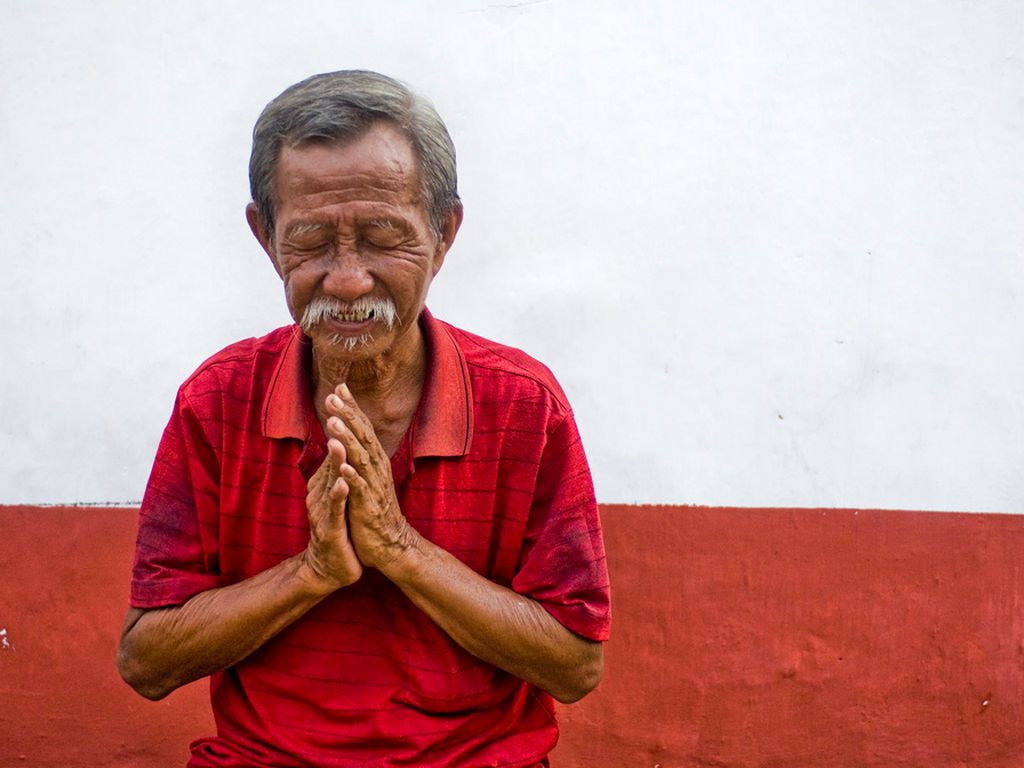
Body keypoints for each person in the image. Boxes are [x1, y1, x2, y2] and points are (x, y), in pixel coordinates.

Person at [117, 70, 610, 768]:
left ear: (444, 235)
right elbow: (145, 662)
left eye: (382, 237)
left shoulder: (523, 406)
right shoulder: (218, 400)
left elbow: (575, 667)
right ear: (265, 237)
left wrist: (400, 551)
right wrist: (312, 571)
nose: (347, 278)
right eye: (311, 240)